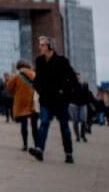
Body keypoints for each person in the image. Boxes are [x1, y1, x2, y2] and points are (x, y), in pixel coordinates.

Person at [29, 36, 76, 164]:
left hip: (60, 101)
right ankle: (39, 149)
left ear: (50, 47)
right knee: (44, 123)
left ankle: (68, 153)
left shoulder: (62, 61)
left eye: (43, 45)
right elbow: (37, 79)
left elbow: (73, 78)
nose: (40, 47)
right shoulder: (39, 61)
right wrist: (38, 88)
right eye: (40, 45)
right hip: (45, 100)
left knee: (64, 127)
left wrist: (66, 94)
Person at [6, 60, 40, 152]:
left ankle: (25, 145)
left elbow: (9, 87)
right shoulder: (34, 74)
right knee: (34, 126)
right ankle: (37, 145)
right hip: (33, 102)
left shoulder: (17, 76)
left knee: (24, 125)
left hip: (21, 103)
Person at [68, 74, 89, 143]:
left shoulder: (84, 85)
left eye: (79, 78)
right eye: (76, 78)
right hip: (74, 105)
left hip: (83, 105)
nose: (78, 79)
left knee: (84, 120)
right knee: (75, 121)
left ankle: (83, 135)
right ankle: (77, 136)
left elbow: (87, 94)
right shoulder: (71, 86)